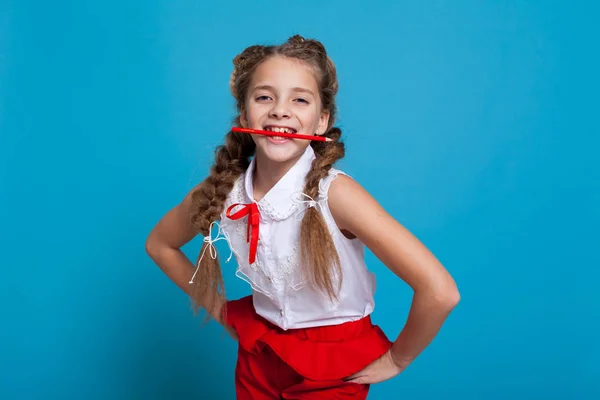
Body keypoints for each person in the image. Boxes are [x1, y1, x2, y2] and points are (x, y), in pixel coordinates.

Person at [145, 34, 460, 399]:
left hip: (332, 364)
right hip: (259, 355)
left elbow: (440, 291)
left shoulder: (337, 194)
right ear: (245, 115)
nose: (280, 110)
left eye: (299, 99)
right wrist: (222, 311)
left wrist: (398, 359)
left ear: (321, 120)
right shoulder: (223, 189)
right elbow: (160, 244)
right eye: (265, 97)